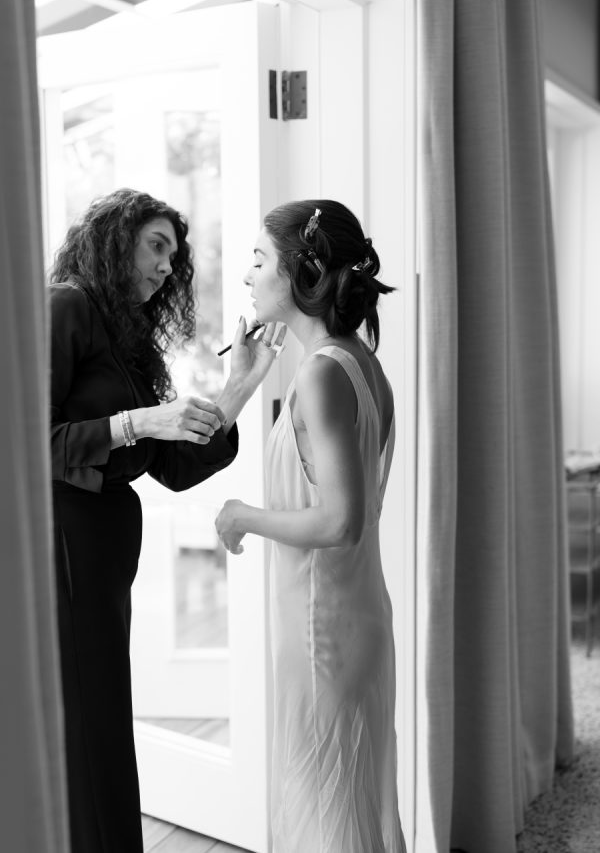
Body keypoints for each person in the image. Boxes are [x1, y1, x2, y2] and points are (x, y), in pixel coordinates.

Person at [48, 187, 283, 853]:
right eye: (156, 246)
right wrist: (139, 421)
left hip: (102, 551)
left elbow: (173, 466)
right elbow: (29, 440)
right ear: (114, 241)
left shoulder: (128, 338)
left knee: (99, 718)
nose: (164, 266)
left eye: (172, 257)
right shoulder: (66, 306)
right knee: (89, 723)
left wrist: (240, 385)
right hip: (63, 543)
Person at [215, 200, 407, 852]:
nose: (247, 275)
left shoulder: (323, 374)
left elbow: (341, 521)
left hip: (323, 633)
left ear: (305, 271)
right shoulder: (362, 364)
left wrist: (242, 515)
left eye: (259, 259)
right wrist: (243, 381)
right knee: (346, 803)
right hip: (355, 620)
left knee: (326, 811)